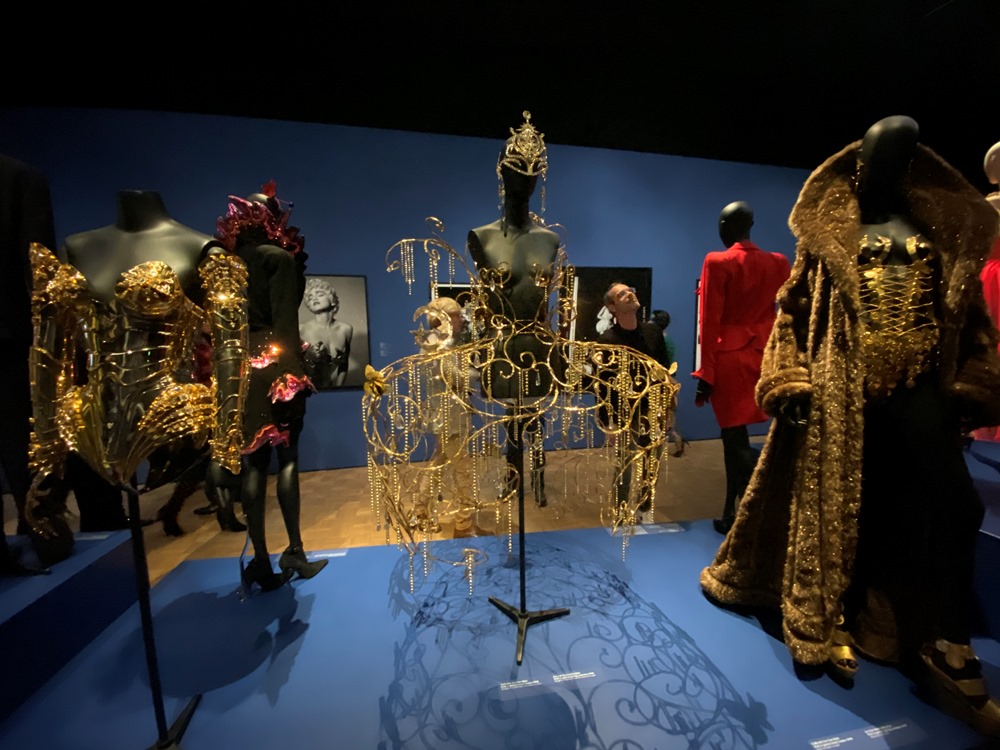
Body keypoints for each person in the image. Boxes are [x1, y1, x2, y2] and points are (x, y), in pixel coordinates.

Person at [700, 116, 1000, 739]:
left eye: (897, 159)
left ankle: (944, 639)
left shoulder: (936, 232)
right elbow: (791, 311)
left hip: (921, 387)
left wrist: (974, 383)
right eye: (875, 159)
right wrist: (788, 380)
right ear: (857, 165)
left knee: (953, 503)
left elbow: (968, 315)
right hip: (842, 388)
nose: (882, 171)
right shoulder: (827, 237)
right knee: (841, 506)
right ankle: (830, 615)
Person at [25, 190, 249, 565]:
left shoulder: (201, 250)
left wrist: (226, 445)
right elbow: (47, 354)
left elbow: (231, 350)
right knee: (103, 541)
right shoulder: (74, 250)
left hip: (172, 413)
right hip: (84, 418)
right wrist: (47, 453)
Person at [216, 182, 327, 593]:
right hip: (275, 362)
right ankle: (294, 551)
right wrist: (291, 375)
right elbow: (284, 321)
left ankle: (260, 561)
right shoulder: (275, 258)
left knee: (253, 464)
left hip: (240, 368)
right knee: (288, 460)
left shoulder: (227, 263)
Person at [467, 111, 560, 508]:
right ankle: (512, 472)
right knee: (509, 420)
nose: (526, 181)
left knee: (536, 419)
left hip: (538, 344)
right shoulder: (482, 237)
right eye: (518, 171)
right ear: (502, 173)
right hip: (501, 345)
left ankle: (536, 474)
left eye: (533, 173)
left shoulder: (549, 240)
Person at [692, 201, 790, 534]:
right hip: (765, 356)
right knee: (734, 440)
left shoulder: (718, 261)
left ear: (724, 226)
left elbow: (709, 321)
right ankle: (731, 512)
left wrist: (706, 373)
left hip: (730, 360)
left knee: (734, 443)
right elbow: (785, 314)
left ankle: (756, 509)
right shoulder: (778, 262)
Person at [0, 154, 56, 575]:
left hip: (9, 335)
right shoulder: (19, 177)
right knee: (19, 440)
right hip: (7, 335)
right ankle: (42, 534)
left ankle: (39, 531)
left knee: (20, 441)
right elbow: (40, 270)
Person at [597, 282, 673, 523]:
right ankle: (620, 514)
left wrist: (669, 409)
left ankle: (644, 509)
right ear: (612, 307)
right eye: (622, 294)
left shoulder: (652, 333)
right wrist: (607, 423)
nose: (630, 294)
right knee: (624, 465)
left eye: (631, 291)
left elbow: (665, 372)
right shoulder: (608, 340)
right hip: (623, 413)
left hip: (653, 408)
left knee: (652, 463)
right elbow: (603, 385)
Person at [413, 295, 483, 538]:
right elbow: (456, 377)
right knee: (462, 469)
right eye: (457, 316)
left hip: (448, 413)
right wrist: (479, 372)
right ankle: (463, 524)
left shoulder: (438, 342)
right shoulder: (438, 345)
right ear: (444, 318)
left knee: (439, 462)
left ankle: (420, 511)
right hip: (449, 414)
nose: (462, 320)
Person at [300, 276, 353, 388]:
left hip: (330, 390)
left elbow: (344, 363)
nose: (314, 298)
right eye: (310, 297)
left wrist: (338, 389)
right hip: (306, 392)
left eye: (320, 294)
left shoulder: (346, 329)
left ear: (332, 300)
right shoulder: (301, 329)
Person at [650, 309, 687, 456]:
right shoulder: (668, 340)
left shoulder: (659, 341)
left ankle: (660, 447)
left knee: (659, 415)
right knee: (665, 415)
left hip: (660, 382)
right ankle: (677, 441)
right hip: (668, 381)